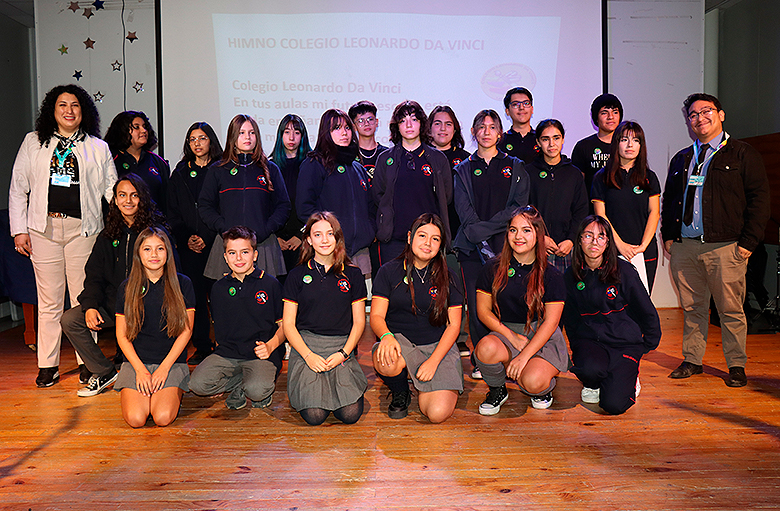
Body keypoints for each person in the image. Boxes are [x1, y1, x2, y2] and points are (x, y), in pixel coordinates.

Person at [9, 84, 117, 387]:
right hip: (43, 230)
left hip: (84, 230)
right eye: (62, 105)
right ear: (52, 111)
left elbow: (112, 189)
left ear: (84, 112)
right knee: (49, 301)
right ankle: (48, 364)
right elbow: (18, 187)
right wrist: (19, 230)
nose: (69, 111)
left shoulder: (98, 147)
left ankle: (88, 362)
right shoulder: (33, 142)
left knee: (84, 298)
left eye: (75, 105)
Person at [661, 93, 770, 387]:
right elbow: (670, 199)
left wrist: (748, 242)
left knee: (731, 311)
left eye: (706, 111)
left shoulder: (742, 154)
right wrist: (669, 237)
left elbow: (760, 200)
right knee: (693, 308)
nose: (700, 118)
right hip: (685, 247)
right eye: (693, 115)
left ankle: (736, 365)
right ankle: (692, 360)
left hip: (726, 247)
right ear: (689, 122)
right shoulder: (682, 158)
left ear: (721, 115)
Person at [62, 174, 168, 396]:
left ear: (142, 199)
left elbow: (170, 273)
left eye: (134, 195)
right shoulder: (107, 235)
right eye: (122, 195)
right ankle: (104, 372)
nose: (128, 200)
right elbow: (94, 275)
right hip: (115, 306)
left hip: (149, 306)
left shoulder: (155, 233)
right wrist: (90, 305)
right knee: (71, 320)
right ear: (115, 200)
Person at [453, 109, 530, 372]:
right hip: (471, 250)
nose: (486, 132)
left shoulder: (515, 166)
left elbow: (518, 208)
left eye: (492, 127)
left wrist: (483, 230)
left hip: (508, 247)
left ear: (500, 132)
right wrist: (477, 233)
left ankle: (509, 353)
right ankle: (480, 358)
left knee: (505, 301)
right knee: (478, 307)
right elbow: (463, 211)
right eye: (481, 127)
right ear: (473, 132)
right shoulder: (462, 169)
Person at [473, 206, 569, 413]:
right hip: (506, 333)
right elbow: (483, 312)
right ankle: (498, 389)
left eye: (526, 230)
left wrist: (524, 356)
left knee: (532, 381)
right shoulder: (491, 268)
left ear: (538, 234)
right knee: (485, 348)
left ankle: (543, 388)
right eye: (513, 230)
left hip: (542, 335)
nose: (518, 236)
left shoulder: (552, 275)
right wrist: (512, 337)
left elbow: (551, 322)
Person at [563, 215, 661, 415]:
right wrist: (577, 346)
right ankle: (594, 382)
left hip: (624, 343)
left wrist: (647, 345)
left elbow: (646, 310)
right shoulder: (571, 276)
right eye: (588, 236)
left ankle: (628, 376)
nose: (594, 242)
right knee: (587, 368)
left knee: (613, 405)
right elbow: (570, 318)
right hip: (591, 342)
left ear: (608, 242)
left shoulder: (624, 271)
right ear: (579, 240)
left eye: (601, 236)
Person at [372, 214, 463, 423]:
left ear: (440, 245)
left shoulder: (449, 277)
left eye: (435, 238)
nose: (428, 243)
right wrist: (386, 336)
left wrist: (433, 362)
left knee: (436, 413)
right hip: (400, 343)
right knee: (386, 362)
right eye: (422, 235)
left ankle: (427, 383)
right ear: (409, 237)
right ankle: (400, 390)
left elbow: (454, 325)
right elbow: (376, 316)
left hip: (437, 347)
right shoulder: (388, 271)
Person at [282, 212, 368, 425]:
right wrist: (308, 356)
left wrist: (343, 354)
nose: (324, 240)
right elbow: (288, 325)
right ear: (309, 240)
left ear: (338, 237)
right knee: (315, 416)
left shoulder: (353, 275)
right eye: (317, 234)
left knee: (350, 415)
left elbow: (359, 323)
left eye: (330, 234)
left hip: (340, 348)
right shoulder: (296, 275)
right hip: (307, 347)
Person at [189, 226, 285, 409]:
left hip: (261, 355)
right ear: (225, 257)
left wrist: (271, 346)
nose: (239, 258)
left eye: (245, 252)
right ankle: (242, 383)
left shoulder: (270, 284)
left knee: (257, 390)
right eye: (232, 253)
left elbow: (285, 326)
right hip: (229, 354)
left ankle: (249, 386)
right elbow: (220, 331)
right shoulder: (218, 289)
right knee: (197, 385)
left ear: (255, 255)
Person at [114, 227, 195, 427]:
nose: (154, 255)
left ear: (168, 252)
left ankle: (171, 388)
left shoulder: (183, 284)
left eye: (160, 248)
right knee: (136, 419)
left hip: (171, 362)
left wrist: (164, 369)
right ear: (138, 254)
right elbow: (121, 335)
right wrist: (140, 370)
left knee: (162, 417)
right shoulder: (126, 287)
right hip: (136, 362)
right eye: (147, 249)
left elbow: (186, 331)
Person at [199, 114, 291, 279]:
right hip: (228, 245)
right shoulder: (218, 170)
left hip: (263, 244)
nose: (247, 137)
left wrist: (266, 229)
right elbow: (205, 205)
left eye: (252, 132)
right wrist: (223, 228)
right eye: (241, 133)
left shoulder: (270, 168)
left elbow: (283, 205)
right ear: (232, 137)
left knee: (266, 293)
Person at [168, 122, 223, 365]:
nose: (197, 143)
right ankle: (202, 345)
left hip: (217, 243)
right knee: (196, 297)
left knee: (221, 296)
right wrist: (186, 237)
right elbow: (172, 211)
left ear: (211, 141)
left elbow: (223, 208)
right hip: (188, 246)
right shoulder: (180, 172)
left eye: (202, 138)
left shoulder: (222, 169)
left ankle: (225, 344)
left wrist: (207, 237)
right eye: (192, 139)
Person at [373, 100, 452, 265]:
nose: (409, 125)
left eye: (414, 119)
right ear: (397, 126)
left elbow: (447, 196)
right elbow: (378, 195)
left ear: (422, 123)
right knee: (393, 281)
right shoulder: (385, 158)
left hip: (428, 240)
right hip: (394, 239)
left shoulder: (438, 158)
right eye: (403, 121)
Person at [297, 109, 375, 276]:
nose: (344, 133)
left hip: (361, 252)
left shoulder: (358, 168)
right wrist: (327, 235)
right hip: (328, 251)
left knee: (363, 293)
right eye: (337, 128)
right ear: (326, 132)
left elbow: (370, 207)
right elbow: (304, 208)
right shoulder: (314, 164)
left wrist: (369, 230)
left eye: (347, 128)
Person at [591, 121, 661, 292]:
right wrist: (620, 245)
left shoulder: (650, 177)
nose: (630, 145)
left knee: (642, 301)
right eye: (624, 140)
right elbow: (601, 216)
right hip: (611, 249)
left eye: (636, 140)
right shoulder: (602, 177)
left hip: (644, 251)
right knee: (611, 300)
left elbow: (654, 213)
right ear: (616, 143)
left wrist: (642, 246)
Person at [428, 105, 471, 356]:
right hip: (428, 232)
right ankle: (431, 334)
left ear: (455, 129)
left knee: (455, 286)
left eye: (448, 124)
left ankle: (460, 336)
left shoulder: (466, 159)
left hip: (457, 234)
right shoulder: (421, 156)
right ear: (429, 128)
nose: (442, 129)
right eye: (437, 123)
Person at [527, 119, 588, 273]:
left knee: (565, 288)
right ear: (538, 142)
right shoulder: (528, 172)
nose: (551, 144)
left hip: (566, 248)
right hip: (536, 246)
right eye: (545, 139)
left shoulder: (574, 174)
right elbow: (523, 211)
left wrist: (571, 239)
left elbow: (581, 210)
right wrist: (540, 237)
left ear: (563, 139)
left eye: (556, 138)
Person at [269, 114, 312, 280]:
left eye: (297, 132)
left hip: (305, 240)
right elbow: (264, 205)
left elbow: (316, 203)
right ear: (280, 135)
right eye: (287, 132)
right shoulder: (269, 166)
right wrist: (274, 237)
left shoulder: (312, 164)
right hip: (275, 241)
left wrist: (302, 235)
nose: (292, 137)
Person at [104, 111, 169, 211]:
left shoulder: (158, 162)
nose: (144, 131)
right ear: (123, 131)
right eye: (136, 127)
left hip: (154, 219)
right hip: (119, 219)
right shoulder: (111, 160)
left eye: (144, 126)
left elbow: (167, 200)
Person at [571, 93, 624, 200]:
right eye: (604, 113)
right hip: (592, 206)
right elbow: (577, 186)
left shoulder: (627, 146)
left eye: (615, 112)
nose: (610, 117)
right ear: (596, 118)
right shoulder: (583, 146)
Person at [348, 100, 388, 183]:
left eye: (370, 119)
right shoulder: (349, 154)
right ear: (354, 126)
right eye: (360, 121)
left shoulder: (386, 153)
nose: (366, 124)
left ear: (376, 122)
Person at [498, 87, 538, 163]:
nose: (521, 108)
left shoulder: (541, 139)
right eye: (515, 104)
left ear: (532, 109)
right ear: (507, 111)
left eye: (526, 103)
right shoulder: (501, 141)